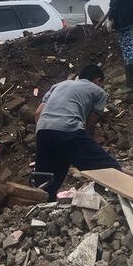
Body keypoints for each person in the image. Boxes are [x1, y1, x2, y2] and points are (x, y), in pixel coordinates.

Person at [33, 64, 121, 200]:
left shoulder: (59, 85)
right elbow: (91, 123)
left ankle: (40, 210)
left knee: (46, 181)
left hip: (43, 130)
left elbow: (38, 113)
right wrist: (86, 145)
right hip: (69, 130)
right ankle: (113, 201)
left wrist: (44, 135)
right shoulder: (98, 91)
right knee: (110, 169)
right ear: (98, 80)